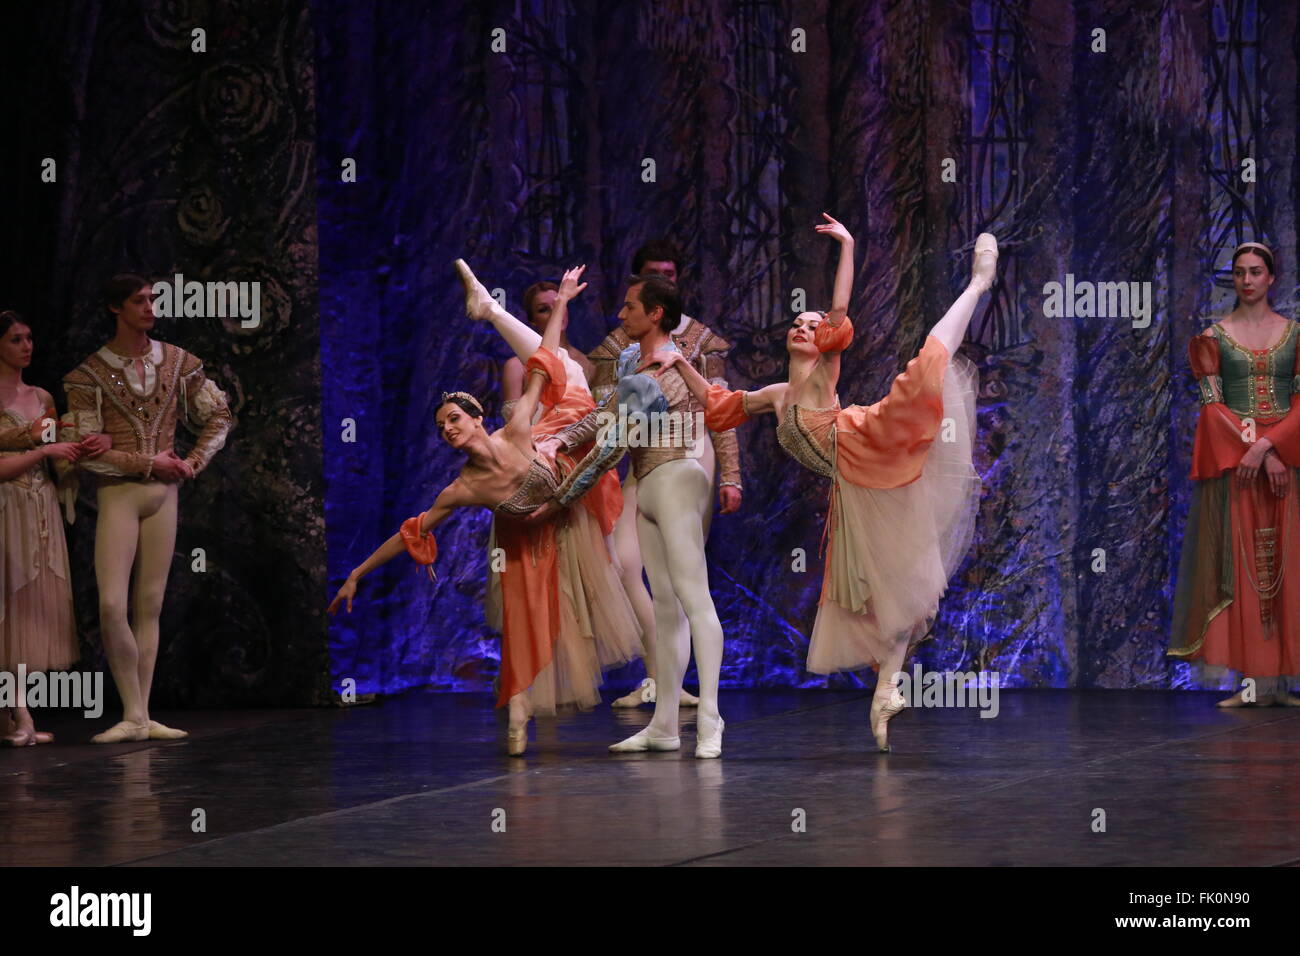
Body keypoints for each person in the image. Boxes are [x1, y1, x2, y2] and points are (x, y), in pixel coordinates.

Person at [648, 216, 993, 751]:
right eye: (798, 323)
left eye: (813, 326)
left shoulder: (821, 372)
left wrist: (848, 245)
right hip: (853, 485)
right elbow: (719, 407)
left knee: (925, 365)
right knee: (889, 593)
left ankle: (976, 284)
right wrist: (682, 363)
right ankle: (885, 691)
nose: (804, 328)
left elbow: (839, 311)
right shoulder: (779, 392)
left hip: (863, 438)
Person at [329, 263, 640, 755]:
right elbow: (413, 529)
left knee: (570, 377)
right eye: (441, 427)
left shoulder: (517, 427)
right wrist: (357, 573)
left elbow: (544, 361)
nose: (448, 430)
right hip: (521, 540)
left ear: (477, 417)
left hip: (559, 485)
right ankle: (517, 717)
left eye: (454, 418)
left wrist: (561, 302)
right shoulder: (463, 487)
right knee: (522, 625)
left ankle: (489, 310)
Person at [528, 273, 729, 757]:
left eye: (630, 307)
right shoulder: (629, 362)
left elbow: (609, 449)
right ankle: (663, 726)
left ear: (655, 312)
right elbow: (604, 417)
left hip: (678, 479)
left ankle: (710, 719)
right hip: (650, 487)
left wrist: (559, 499)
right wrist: (558, 440)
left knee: (694, 600)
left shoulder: (669, 364)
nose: (621, 315)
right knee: (663, 608)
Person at [61, 275, 234, 743]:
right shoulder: (90, 374)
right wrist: (146, 461)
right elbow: (85, 446)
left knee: (150, 603)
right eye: (140, 301)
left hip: (164, 496)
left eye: (153, 299)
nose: (150, 307)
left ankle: (144, 713)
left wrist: (193, 461)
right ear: (116, 308)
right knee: (113, 603)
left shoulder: (177, 362)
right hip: (119, 495)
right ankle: (132, 713)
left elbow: (219, 413)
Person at [586, 239, 741, 708]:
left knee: (682, 575)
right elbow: (607, 414)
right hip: (641, 458)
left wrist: (731, 472)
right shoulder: (617, 344)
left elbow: (720, 405)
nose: (664, 280)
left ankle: (686, 695)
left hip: (692, 451)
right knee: (625, 562)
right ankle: (659, 675)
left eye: (670, 273)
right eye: (653, 273)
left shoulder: (699, 339)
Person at [1169, 241, 1300, 707]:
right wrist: (1257, 452)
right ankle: (1251, 683)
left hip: (1288, 459)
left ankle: (1280, 681)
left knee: (1289, 562)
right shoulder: (1213, 338)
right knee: (1243, 565)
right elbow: (1213, 407)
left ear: (1271, 278)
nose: (1248, 280)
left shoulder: (1295, 334)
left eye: (1256, 271)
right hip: (1240, 464)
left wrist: (1272, 445)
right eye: (1241, 272)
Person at [0, 310, 110, 746]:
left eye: (29, 338)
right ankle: (18, 715)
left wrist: (79, 453)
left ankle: (18, 712)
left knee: (27, 610)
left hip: (38, 509)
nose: (27, 346)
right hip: (6, 505)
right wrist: (43, 452)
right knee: (6, 606)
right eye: (15, 339)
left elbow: (59, 464)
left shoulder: (42, 397)